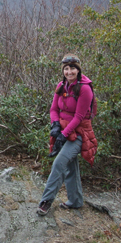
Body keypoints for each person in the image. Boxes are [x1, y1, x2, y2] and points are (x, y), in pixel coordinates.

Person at [37, 54, 98, 216]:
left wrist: (63, 135)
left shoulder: (84, 89)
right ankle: (76, 200)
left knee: (59, 163)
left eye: (72, 68)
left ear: (78, 69)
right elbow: (53, 109)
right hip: (64, 129)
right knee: (70, 165)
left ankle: (46, 200)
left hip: (79, 134)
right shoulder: (61, 86)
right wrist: (55, 125)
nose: (69, 72)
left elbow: (79, 117)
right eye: (66, 68)